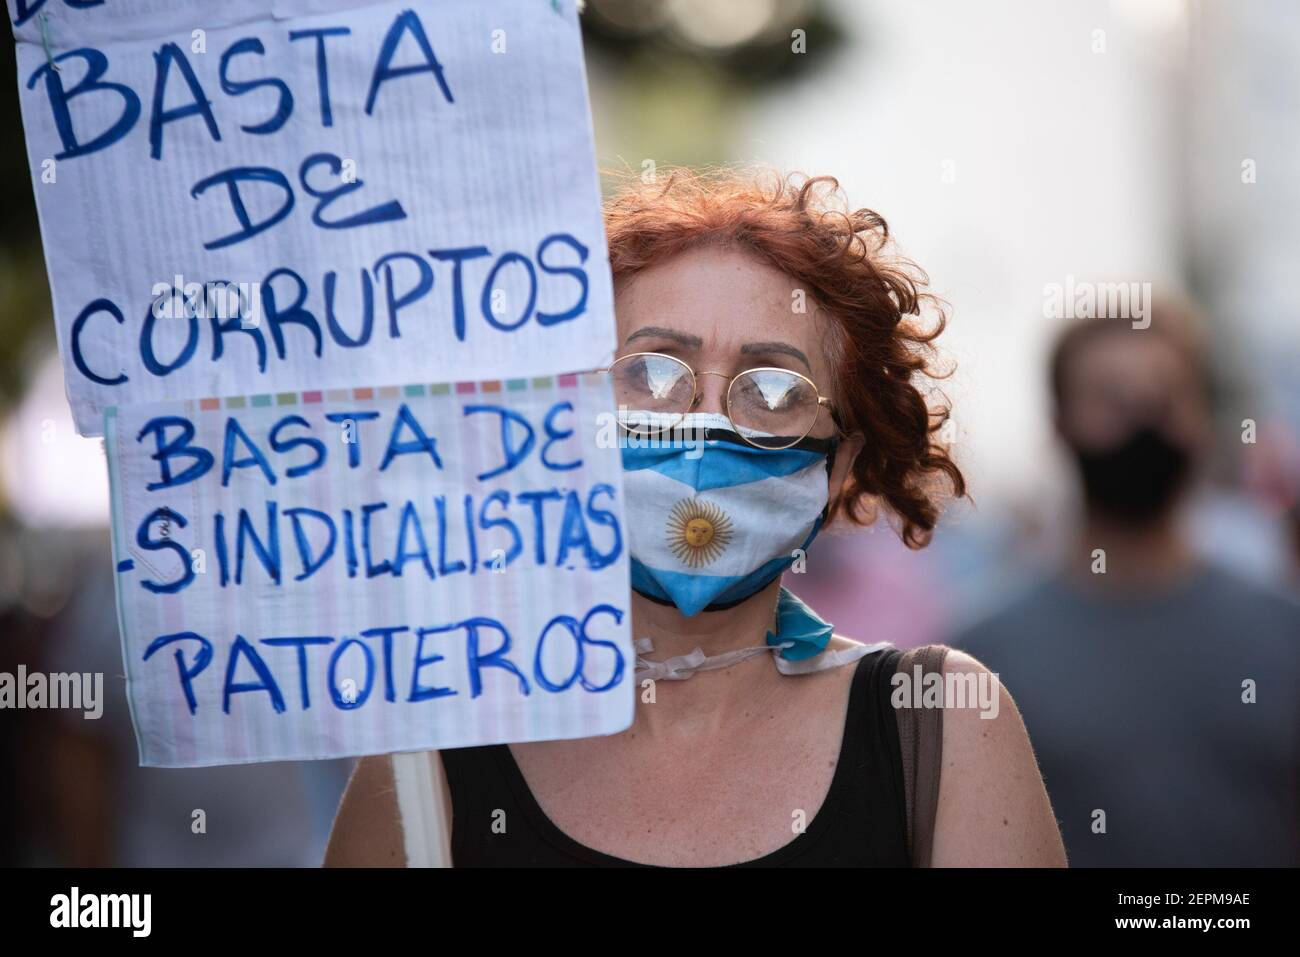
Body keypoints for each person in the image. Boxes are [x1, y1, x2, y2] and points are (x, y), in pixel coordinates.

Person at [326, 168, 1065, 867]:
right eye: (651, 373)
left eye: (772, 391)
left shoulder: (940, 726)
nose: (706, 425)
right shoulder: (431, 749)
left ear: (840, 464)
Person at [956, 300, 1300, 866]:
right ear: (1060, 425)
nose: (1142, 418)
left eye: (1163, 398)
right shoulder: (982, 658)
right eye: (1111, 398)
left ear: (1200, 418)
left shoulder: (1285, 633)